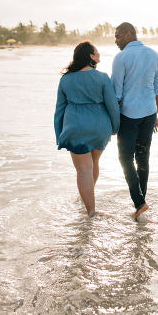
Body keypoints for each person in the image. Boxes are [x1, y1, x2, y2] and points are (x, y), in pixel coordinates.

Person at [54, 41, 120, 217]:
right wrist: (115, 127)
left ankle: (91, 210)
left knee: (83, 169)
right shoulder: (102, 77)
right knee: (93, 163)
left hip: (75, 126)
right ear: (91, 56)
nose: (99, 55)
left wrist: (59, 135)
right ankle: (88, 197)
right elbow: (112, 106)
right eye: (97, 52)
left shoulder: (66, 79)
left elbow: (59, 110)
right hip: (100, 126)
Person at [111, 22, 158, 221]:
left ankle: (140, 203)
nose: (116, 41)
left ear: (128, 34)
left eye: (117, 37)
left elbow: (117, 93)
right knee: (143, 158)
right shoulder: (154, 54)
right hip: (149, 114)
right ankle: (141, 203)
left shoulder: (122, 57)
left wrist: (114, 122)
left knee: (125, 159)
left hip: (128, 116)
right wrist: (155, 113)